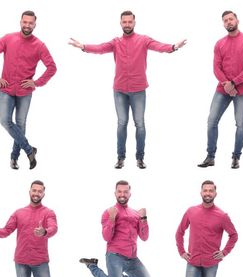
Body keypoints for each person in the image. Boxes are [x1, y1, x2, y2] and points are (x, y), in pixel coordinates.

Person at [69, 10, 187, 169]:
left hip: (138, 90)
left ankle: (140, 158)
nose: (127, 24)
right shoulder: (116, 42)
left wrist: (173, 47)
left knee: (140, 124)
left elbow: (159, 46)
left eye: (129, 22)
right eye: (124, 22)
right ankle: (120, 158)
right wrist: (83, 46)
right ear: (120, 23)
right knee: (122, 123)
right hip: (120, 90)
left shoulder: (143, 40)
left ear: (134, 23)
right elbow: (100, 48)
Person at [0, 10, 57, 170]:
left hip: (25, 92)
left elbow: (52, 67)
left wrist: (36, 82)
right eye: (25, 22)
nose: (27, 25)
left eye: (30, 23)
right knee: (5, 121)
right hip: (6, 89)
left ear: (35, 25)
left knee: (20, 124)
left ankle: (14, 158)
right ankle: (29, 150)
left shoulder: (39, 45)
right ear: (20, 22)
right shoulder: (8, 38)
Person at [175, 180, 238, 277]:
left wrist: (224, 252)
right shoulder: (191, 211)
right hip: (193, 261)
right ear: (201, 192)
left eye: (211, 191)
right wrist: (182, 251)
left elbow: (234, 235)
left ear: (215, 193)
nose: (208, 193)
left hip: (211, 262)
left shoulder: (222, 216)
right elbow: (179, 232)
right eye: (205, 190)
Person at [198, 10, 243, 169]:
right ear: (223, 24)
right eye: (225, 20)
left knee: (240, 123)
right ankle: (210, 157)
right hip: (223, 88)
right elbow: (216, 67)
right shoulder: (219, 43)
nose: (228, 22)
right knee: (211, 121)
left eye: (231, 19)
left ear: (237, 20)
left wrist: (233, 83)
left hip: (242, 90)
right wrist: (226, 84)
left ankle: (236, 157)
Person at [80, 180, 154, 277]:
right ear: (115, 193)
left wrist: (143, 218)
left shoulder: (135, 214)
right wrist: (112, 219)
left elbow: (144, 237)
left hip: (133, 259)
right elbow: (106, 237)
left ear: (130, 194)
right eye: (119, 191)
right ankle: (92, 265)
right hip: (115, 256)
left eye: (125, 192)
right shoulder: (109, 212)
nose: (122, 194)